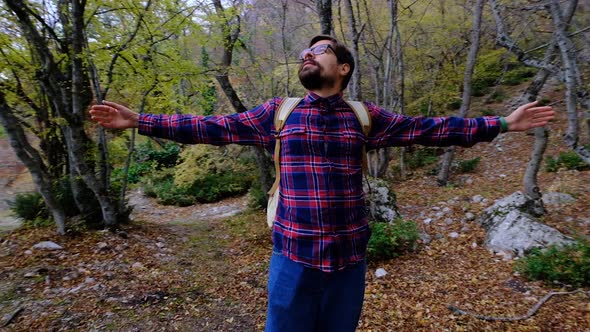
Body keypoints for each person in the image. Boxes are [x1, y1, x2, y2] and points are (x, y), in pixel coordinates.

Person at [90, 35, 555, 332]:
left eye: (320, 50)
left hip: (349, 258)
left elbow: (431, 128)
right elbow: (211, 126)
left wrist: (501, 123)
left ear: (344, 68)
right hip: (293, 256)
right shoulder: (279, 112)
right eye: (304, 53)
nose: (307, 55)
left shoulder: (366, 117)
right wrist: (141, 121)